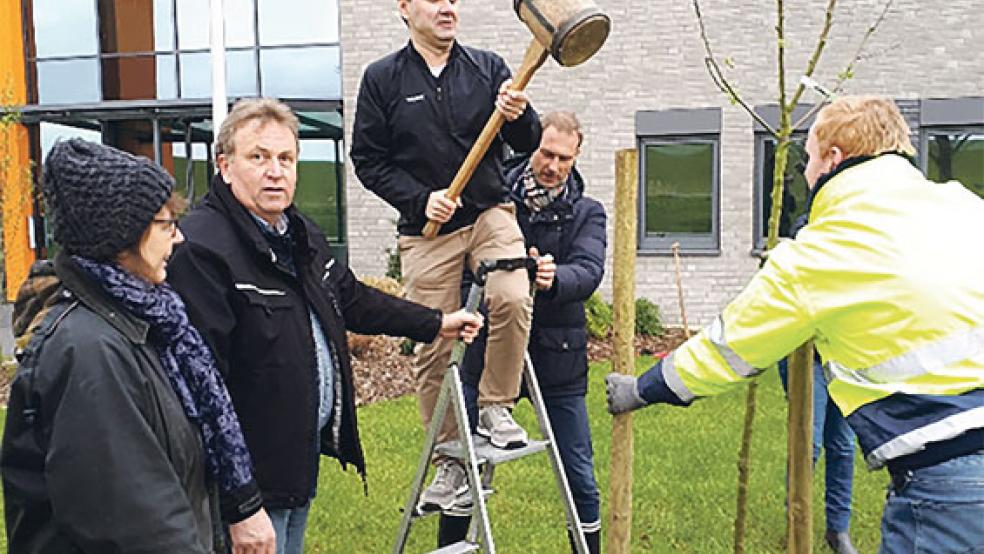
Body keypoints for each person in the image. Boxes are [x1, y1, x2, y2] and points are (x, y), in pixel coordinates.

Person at [606, 96, 984, 552]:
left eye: (807, 158)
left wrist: (643, 388)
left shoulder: (823, 249)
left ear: (833, 158)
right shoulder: (964, 206)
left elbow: (728, 347)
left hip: (950, 483)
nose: (802, 173)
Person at [166, 97, 482, 554]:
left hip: (294, 462)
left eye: (286, 158)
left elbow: (351, 298)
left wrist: (436, 322)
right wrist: (240, 504)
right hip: (245, 485)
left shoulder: (298, 234)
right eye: (258, 157)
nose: (276, 171)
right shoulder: (203, 249)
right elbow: (200, 391)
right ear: (225, 165)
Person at [1, 139, 274, 553]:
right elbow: (136, 524)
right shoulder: (89, 352)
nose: (178, 238)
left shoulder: (147, 324)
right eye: (166, 224)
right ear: (122, 236)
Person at [350, 0, 542, 510]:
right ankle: (451, 463)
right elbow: (367, 160)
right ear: (406, 8)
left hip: (488, 213)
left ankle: (497, 408)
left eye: (454, 0)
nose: (448, 7)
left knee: (511, 295)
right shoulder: (382, 79)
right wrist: (419, 199)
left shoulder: (489, 69)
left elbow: (527, 141)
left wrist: (518, 116)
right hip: (427, 229)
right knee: (432, 340)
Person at [439, 111, 607, 552]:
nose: (552, 166)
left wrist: (556, 278)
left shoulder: (587, 211)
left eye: (564, 159)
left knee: (579, 475)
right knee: (465, 469)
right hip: (488, 352)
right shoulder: (492, 199)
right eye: (546, 153)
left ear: (577, 156)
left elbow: (589, 270)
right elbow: (462, 261)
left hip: (557, 357)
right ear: (533, 146)